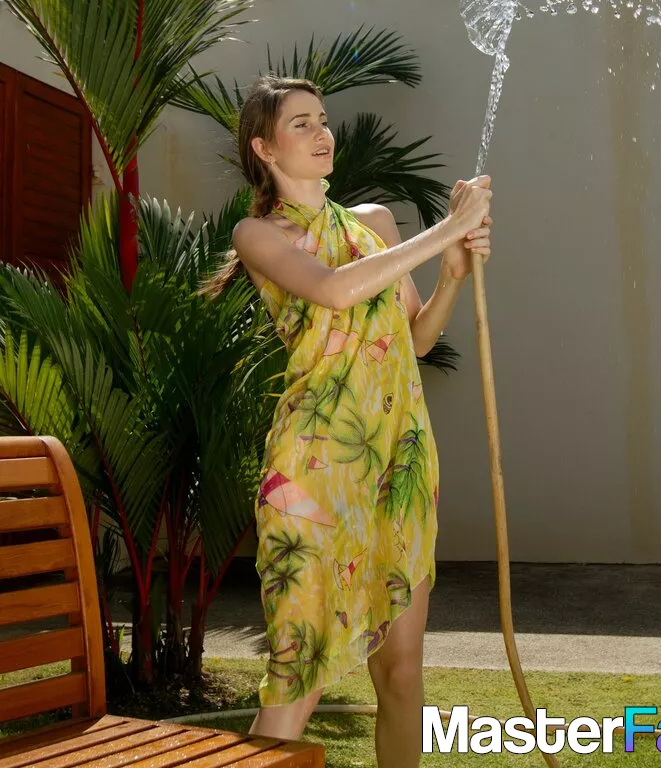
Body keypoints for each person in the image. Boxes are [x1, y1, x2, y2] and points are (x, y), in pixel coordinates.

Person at [205, 74, 492, 768]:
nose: (321, 132)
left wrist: (453, 271)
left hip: (398, 459)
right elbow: (334, 291)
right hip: (314, 473)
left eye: (323, 119)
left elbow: (415, 340)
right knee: (298, 673)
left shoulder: (375, 223)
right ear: (264, 148)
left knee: (401, 670)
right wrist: (446, 230)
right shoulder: (257, 234)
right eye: (300, 123)